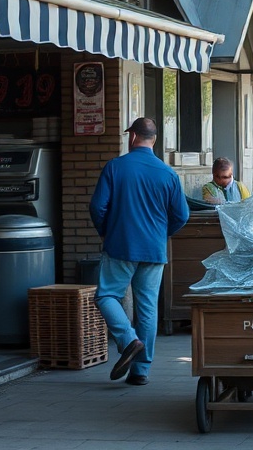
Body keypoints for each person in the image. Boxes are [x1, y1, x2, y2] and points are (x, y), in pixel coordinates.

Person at [89, 117, 189, 386]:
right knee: (147, 308)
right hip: (154, 250)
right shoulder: (168, 173)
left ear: (132, 137)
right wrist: (161, 233)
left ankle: (127, 339)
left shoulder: (115, 167)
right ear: (154, 140)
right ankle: (140, 371)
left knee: (106, 295)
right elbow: (182, 215)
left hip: (120, 245)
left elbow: (97, 207)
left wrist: (105, 231)